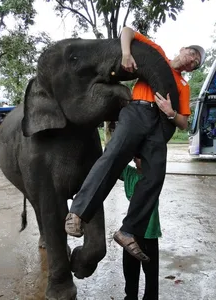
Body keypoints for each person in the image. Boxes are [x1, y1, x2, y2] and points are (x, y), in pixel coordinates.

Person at [65, 26, 205, 261]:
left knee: (155, 177)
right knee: (113, 157)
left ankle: (128, 230)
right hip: (137, 111)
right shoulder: (156, 54)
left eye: (196, 62)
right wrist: (126, 53)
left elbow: (183, 123)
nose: (192, 61)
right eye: (192, 53)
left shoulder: (183, 86)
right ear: (182, 50)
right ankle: (78, 213)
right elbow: (127, 30)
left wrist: (171, 113)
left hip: (159, 125)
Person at [120, 157, 161, 300]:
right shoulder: (129, 174)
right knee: (130, 269)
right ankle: (130, 297)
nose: (142, 160)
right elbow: (113, 160)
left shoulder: (155, 175)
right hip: (130, 233)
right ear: (133, 159)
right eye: (138, 157)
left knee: (151, 272)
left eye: (145, 157)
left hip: (150, 232)